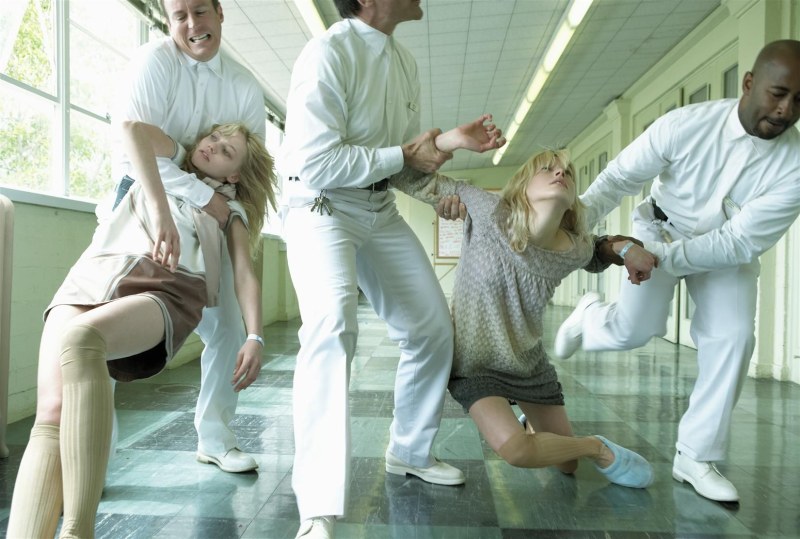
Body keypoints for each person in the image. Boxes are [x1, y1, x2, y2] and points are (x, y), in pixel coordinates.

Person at [277, 1, 503, 537]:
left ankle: (409, 450)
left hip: (377, 208)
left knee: (431, 327)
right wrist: (407, 155)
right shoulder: (327, 54)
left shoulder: (404, 62)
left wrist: (441, 174)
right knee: (332, 327)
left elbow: (400, 165)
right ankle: (317, 508)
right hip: (320, 206)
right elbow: (318, 162)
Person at [553, 39, 800, 503]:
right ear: (749, 83)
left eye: (799, 100)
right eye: (778, 93)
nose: (786, 110)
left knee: (733, 337)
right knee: (635, 330)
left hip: (724, 253)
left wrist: (655, 259)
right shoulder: (686, 125)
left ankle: (695, 456)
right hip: (658, 229)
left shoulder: (796, 165)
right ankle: (590, 318)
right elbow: (617, 179)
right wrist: (568, 229)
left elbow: (739, 241)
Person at [6, 121, 276, 538]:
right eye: (213, 138)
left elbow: (244, 273)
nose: (212, 147)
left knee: (80, 339)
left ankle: (78, 531)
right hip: (95, 272)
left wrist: (254, 336)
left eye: (226, 151)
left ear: (236, 175)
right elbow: (133, 131)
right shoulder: (170, 163)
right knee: (52, 414)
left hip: (164, 287)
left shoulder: (228, 208)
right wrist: (163, 209)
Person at [390, 116, 655, 490]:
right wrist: (450, 141)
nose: (560, 173)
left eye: (567, 172)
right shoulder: (488, 210)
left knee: (565, 465)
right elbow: (406, 176)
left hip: (528, 365)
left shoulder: (572, 247)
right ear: (522, 186)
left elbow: (596, 252)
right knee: (517, 451)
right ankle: (597, 448)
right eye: (547, 169)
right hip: (475, 366)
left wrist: (625, 248)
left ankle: (537, 428)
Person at [110, 0, 269, 473]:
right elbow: (136, 150)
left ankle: (216, 439)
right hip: (143, 198)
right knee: (102, 320)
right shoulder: (153, 62)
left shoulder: (243, 86)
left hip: (210, 210)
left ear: (220, 12)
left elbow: (247, 166)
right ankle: (96, 450)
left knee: (227, 328)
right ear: (168, 20)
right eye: (179, 15)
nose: (192, 24)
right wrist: (201, 193)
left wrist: (257, 334)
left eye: (200, 11)